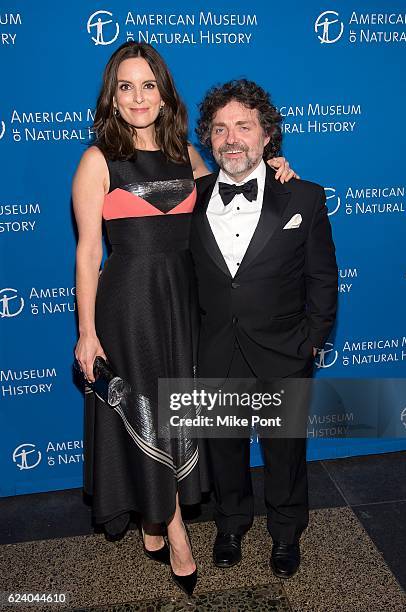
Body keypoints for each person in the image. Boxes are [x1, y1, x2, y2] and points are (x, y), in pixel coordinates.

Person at [73, 42, 296, 596]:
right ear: (112, 96)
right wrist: (86, 332)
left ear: (164, 91)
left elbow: (239, 185)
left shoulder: (190, 157)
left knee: (180, 414)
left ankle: (156, 516)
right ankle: (175, 535)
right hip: (129, 306)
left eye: (148, 84)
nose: (138, 96)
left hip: (187, 304)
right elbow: (86, 255)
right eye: (126, 86)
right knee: (149, 412)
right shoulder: (98, 160)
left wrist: (277, 167)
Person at [191, 79, 338, 579]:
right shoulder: (190, 197)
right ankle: (230, 524)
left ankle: (286, 531)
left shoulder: (305, 196)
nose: (232, 138)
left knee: (285, 453)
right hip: (215, 351)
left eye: (244, 126)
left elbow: (322, 280)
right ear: (208, 140)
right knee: (223, 449)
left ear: (267, 135)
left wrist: (310, 343)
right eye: (220, 129)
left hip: (283, 351)